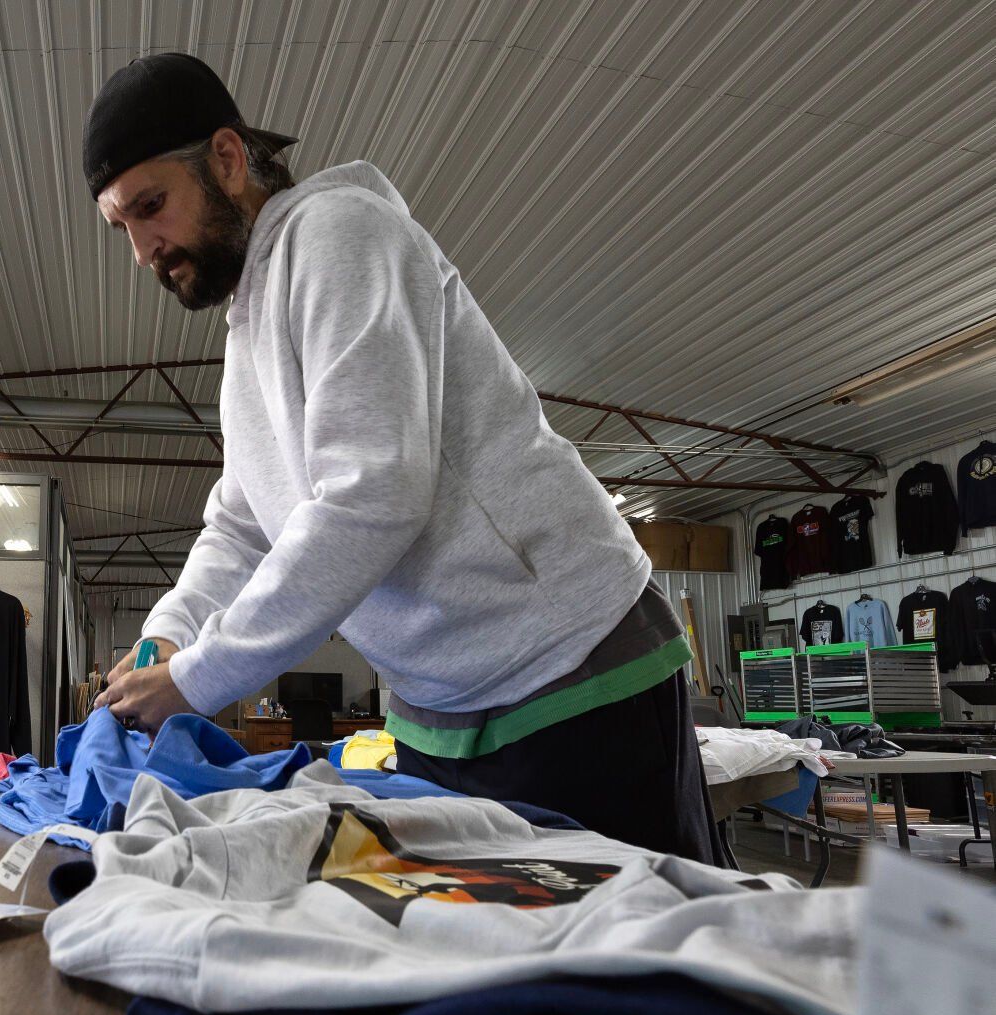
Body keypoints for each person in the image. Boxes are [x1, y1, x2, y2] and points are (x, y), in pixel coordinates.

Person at [86, 52, 719, 862]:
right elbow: (241, 527)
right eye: (122, 227)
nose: (142, 249)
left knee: (630, 962)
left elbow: (375, 494)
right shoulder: (247, 331)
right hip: (437, 708)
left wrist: (202, 675)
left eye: (151, 207)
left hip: (567, 669)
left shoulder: (339, 234)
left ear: (227, 158)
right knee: (475, 954)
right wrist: (167, 640)